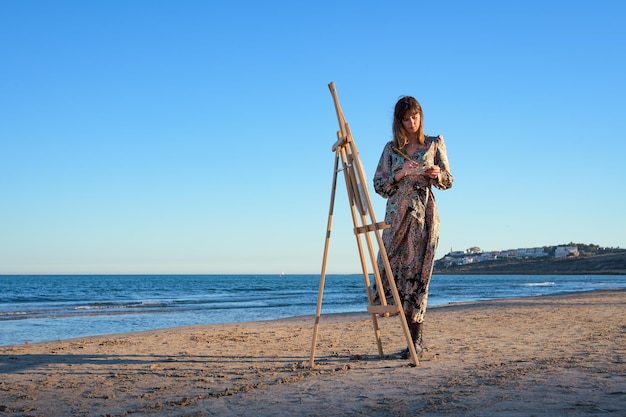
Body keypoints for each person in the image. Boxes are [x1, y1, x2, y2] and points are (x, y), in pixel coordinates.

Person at [373, 95, 453, 359]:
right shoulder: (390, 150)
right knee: (391, 269)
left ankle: (415, 341)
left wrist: (436, 174)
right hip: (396, 219)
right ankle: (409, 339)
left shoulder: (433, 144)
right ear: (399, 121)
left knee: (418, 274)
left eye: (414, 117)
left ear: (420, 115)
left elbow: (448, 180)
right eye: (406, 119)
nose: (411, 122)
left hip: (424, 217)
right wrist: (401, 173)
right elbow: (379, 185)